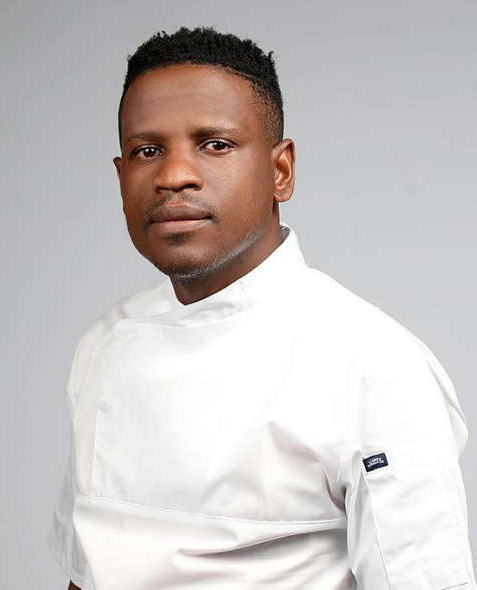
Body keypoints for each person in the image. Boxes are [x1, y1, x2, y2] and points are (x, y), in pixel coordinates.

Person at [46, 25, 476, 590]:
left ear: (280, 171)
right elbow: (88, 570)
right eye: (147, 151)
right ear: (122, 176)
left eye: (215, 144)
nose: (174, 175)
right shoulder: (103, 345)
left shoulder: (374, 368)